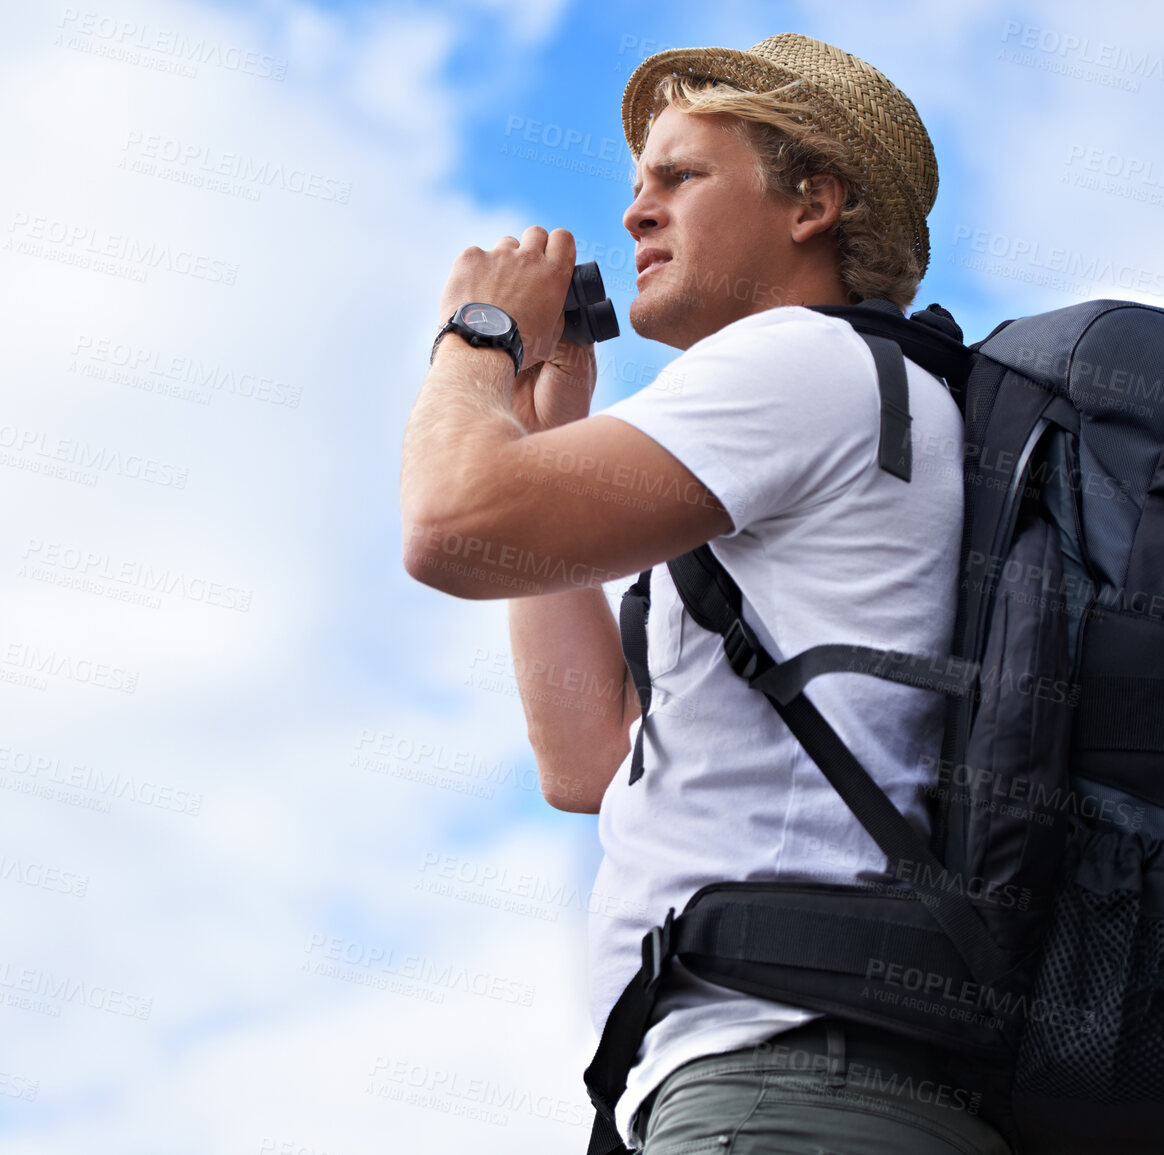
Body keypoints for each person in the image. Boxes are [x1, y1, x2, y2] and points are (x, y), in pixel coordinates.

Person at [400, 33, 1012, 1155]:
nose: (637, 212)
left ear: (814, 204)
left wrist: (476, 333)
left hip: (780, 1086)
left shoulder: (800, 362)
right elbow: (586, 760)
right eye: (638, 183)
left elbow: (450, 526)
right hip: (784, 1082)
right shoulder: (865, 390)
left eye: (680, 176)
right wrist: (549, 428)